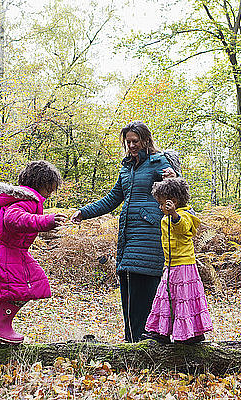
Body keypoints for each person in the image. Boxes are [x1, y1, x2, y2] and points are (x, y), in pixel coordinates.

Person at [71, 121, 177, 342]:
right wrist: (83, 212)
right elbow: (112, 199)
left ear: (146, 140)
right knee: (129, 290)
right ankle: (132, 342)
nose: (131, 145)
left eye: (135, 141)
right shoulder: (127, 167)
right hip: (128, 237)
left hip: (149, 235)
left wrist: (172, 178)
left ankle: (149, 341)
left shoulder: (159, 162)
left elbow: (176, 192)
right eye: (128, 142)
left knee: (146, 289)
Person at [0, 160, 67, 344]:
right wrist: (45, 221)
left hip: (1, 249)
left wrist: (46, 225)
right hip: (0, 250)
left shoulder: (20, 198)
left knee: (16, 289)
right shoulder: (28, 199)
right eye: (49, 187)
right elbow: (14, 220)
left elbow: (19, 221)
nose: (50, 193)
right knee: (30, 283)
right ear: (40, 183)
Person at [143, 177, 213, 344]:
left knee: (184, 297)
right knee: (166, 296)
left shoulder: (184, 216)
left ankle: (191, 333)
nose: (160, 208)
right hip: (170, 265)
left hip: (183, 265)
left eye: (161, 204)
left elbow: (182, 228)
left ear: (172, 202)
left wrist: (174, 214)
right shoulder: (165, 218)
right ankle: (162, 330)